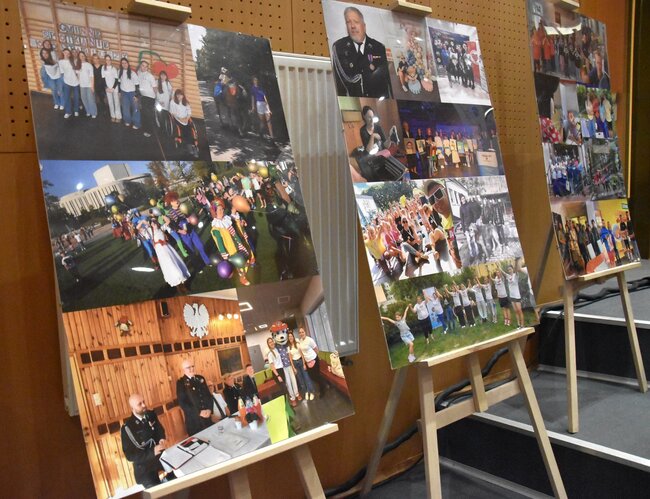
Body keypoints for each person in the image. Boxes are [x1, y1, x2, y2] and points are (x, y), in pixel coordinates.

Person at [331, 6, 392, 98]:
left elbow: (387, 87)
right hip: (353, 103)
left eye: (356, 22)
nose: (352, 26)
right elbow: (340, 88)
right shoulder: (339, 48)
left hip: (378, 103)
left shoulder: (379, 48)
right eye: (348, 22)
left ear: (364, 26)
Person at [121, 393, 168, 488]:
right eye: (139, 404)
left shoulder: (150, 414)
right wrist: (152, 452)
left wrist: (161, 438)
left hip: (160, 459)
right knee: (157, 490)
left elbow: (159, 429)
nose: (144, 405)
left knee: (176, 479)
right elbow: (130, 456)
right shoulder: (127, 428)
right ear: (132, 408)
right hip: (145, 468)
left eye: (144, 402)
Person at [176, 359, 213, 435]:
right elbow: (182, 403)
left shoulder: (200, 378)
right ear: (183, 370)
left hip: (207, 417)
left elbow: (208, 396)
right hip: (194, 421)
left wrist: (209, 409)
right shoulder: (181, 383)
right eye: (188, 367)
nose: (191, 369)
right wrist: (199, 412)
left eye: (192, 366)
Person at [266, 337, 299, 406]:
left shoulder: (277, 349)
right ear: (268, 344)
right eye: (269, 342)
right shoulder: (270, 353)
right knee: (285, 387)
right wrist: (278, 376)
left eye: (272, 341)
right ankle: (290, 400)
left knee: (289, 383)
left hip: (282, 369)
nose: (271, 343)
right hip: (277, 372)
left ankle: (294, 396)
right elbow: (272, 366)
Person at [169, 89, 199, 157]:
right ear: (175, 95)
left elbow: (189, 112)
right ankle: (190, 146)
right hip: (177, 119)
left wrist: (186, 119)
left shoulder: (186, 102)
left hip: (186, 119)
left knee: (191, 130)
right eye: (177, 95)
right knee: (184, 130)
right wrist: (180, 119)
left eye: (180, 95)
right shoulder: (172, 102)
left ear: (183, 95)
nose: (179, 96)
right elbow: (172, 113)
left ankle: (193, 146)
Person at [298, 327, 327, 396]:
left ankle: (322, 390)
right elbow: (302, 353)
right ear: (299, 334)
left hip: (314, 359)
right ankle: (324, 383)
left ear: (305, 332)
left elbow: (316, 349)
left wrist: (319, 357)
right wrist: (304, 363)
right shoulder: (300, 341)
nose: (301, 333)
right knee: (312, 376)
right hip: (307, 362)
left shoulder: (310, 340)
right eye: (300, 332)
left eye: (302, 332)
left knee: (317, 375)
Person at [288, 331, 315, 400]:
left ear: (293, 337)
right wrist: (293, 368)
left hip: (300, 361)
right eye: (289, 337)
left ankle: (311, 392)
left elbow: (302, 354)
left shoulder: (297, 344)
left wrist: (304, 364)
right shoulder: (288, 347)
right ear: (288, 338)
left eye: (291, 336)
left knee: (306, 377)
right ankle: (306, 392)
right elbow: (290, 359)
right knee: (300, 379)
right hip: (295, 364)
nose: (290, 337)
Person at [118, 57, 141, 129]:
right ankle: (127, 120)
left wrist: (136, 95)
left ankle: (136, 123)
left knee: (135, 108)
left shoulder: (132, 73)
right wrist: (119, 92)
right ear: (121, 64)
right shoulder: (119, 72)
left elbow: (137, 85)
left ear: (128, 64)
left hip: (132, 93)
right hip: (124, 93)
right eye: (122, 63)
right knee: (125, 108)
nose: (124, 64)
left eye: (125, 63)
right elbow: (119, 82)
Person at [58, 47, 80, 119]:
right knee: (67, 97)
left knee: (76, 97)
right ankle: (68, 112)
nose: (67, 54)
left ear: (70, 54)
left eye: (68, 53)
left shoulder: (73, 61)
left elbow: (77, 71)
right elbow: (62, 73)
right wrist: (61, 85)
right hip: (66, 82)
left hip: (75, 82)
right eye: (65, 53)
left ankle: (76, 110)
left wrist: (78, 78)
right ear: (63, 53)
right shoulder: (60, 62)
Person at [138, 60, 158, 138]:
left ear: (147, 68)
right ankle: (145, 129)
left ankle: (149, 131)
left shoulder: (150, 76)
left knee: (148, 115)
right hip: (143, 97)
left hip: (150, 98)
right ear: (140, 65)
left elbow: (154, 87)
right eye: (143, 65)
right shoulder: (138, 73)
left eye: (146, 66)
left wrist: (156, 98)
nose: (144, 67)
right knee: (144, 114)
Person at [77, 51, 97, 118]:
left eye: (83, 55)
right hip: (82, 86)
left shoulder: (89, 65)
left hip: (89, 85)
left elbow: (92, 76)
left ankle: (93, 112)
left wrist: (92, 86)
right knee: (84, 99)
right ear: (79, 57)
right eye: (80, 56)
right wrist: (79, 83)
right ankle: (88, 111)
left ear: (85, 56)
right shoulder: (78, 65)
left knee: (91, 99)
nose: (82, 57)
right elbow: (78, 75)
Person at [102, 55, 121, 122]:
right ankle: (112, 116)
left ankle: (118, 116)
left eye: (109, 60)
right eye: (106, 60)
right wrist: (106, 87)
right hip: (107, 88)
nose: (108, 61)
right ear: (105, 60)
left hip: (114, 88)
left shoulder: (114, 68)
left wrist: (113, 88)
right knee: (110, 102)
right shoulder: (103, 68)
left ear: (111, 60)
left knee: (116, 102)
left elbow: (116, 80)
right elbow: (103, 79)